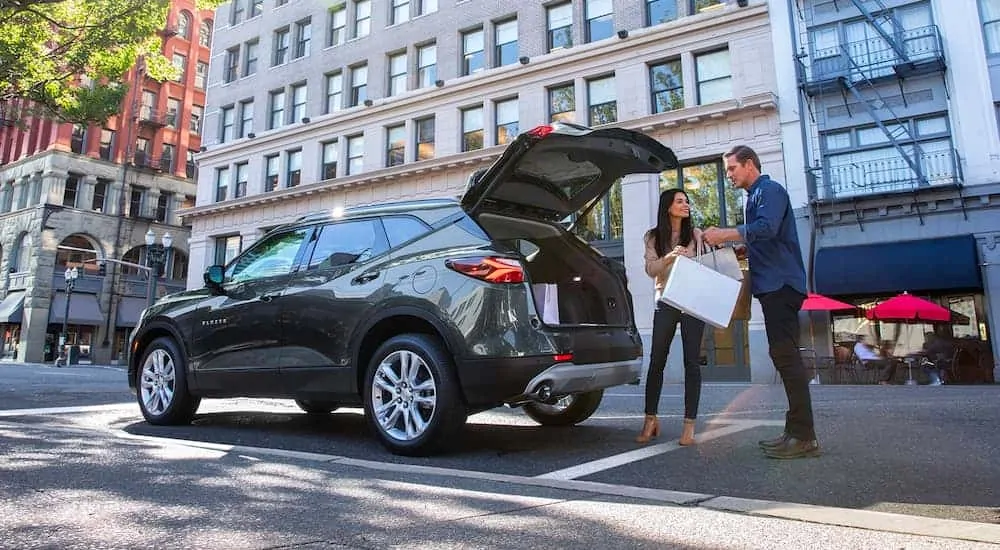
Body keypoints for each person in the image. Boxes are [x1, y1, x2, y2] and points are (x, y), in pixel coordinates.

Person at [703, 145, 819, 459]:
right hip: (772, 286)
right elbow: (766, 237)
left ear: (749, 164)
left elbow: (766, 228)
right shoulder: (755, 196)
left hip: (781, 284)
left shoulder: (770, 190)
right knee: (783, 357)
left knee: (786, 357)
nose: (728, 176)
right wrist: (743, 249)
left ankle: (804, 436)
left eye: (731, 169)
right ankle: (795, 432)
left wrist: (727, 235)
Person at [637, 188, 707, 446]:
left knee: (692, 362)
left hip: (692, 302)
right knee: (657, 361)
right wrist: (670, 256)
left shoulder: (696, 235)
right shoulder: (653, 236)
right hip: (665, 300)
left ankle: (689, 425)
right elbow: (650, 269)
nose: (685, 205)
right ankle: (650, 419)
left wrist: (691, 256)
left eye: (687, 201)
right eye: (680, 201)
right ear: (668, 206)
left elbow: (706, 267)